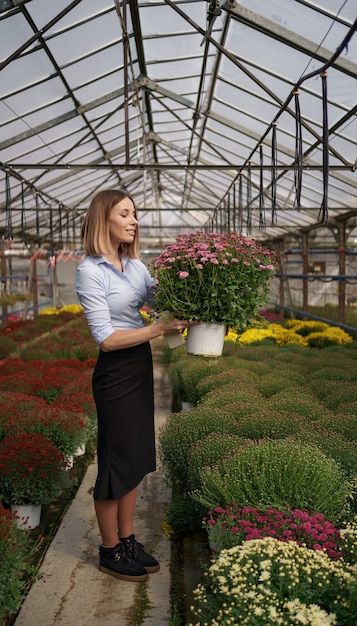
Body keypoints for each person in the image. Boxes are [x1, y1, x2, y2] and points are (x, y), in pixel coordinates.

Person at [75, 189, 197, 582]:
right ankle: (110, 548)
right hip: (114, 371)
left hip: (139, 366)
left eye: (135, 214)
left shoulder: (136, 266)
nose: (134, 220)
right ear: (103, 219)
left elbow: (162, 301)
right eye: (125, 213)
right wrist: (158, 328)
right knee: (115, 460)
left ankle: (127, 539)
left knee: (136, 456)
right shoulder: (90, 270)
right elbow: (106, 339)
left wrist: (196, 294)